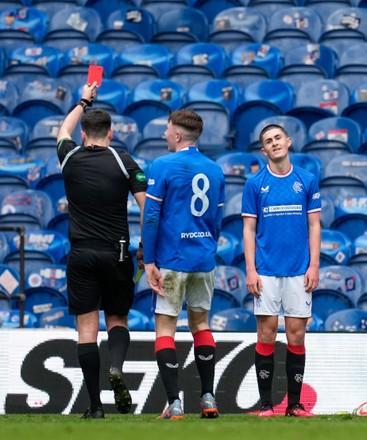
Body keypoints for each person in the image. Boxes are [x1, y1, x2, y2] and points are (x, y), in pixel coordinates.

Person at [57, 82, 147, 419]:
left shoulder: (69, 156)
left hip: (81, 253)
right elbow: (146, 207)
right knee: (117, 319)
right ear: (110, 133)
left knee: (86, 329)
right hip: (117, 252)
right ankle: (118, 368)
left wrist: (83, 99)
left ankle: (95, 406)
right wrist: (145, 249)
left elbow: (62, 129)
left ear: (84, 133)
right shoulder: (122, 159)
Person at [142, 109, 225, 419]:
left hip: (172, 260)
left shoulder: (162, 165)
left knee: (165, 328)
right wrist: (206, 245)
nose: (164, 134)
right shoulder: (215, 169)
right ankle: (208, 398)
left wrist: (149, 260)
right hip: (203, 259)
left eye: (166, 130)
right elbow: (217, 218)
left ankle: (175, 403)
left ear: (177, 135)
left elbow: (151, 216)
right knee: (201, 325)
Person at [242, 124, 321, 417]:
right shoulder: (255, 184)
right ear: (263, 150)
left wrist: (314, 264)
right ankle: (265, 405)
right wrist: (250, 269)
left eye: (278, 138)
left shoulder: (307, 180)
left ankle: (295, 405)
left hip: (300, 270)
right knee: (266, 333)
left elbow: (314, 225)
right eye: (268, 141)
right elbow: (249, 230)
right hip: (266, 270)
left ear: (288, 142)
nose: (274, 143)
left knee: (296, 335)